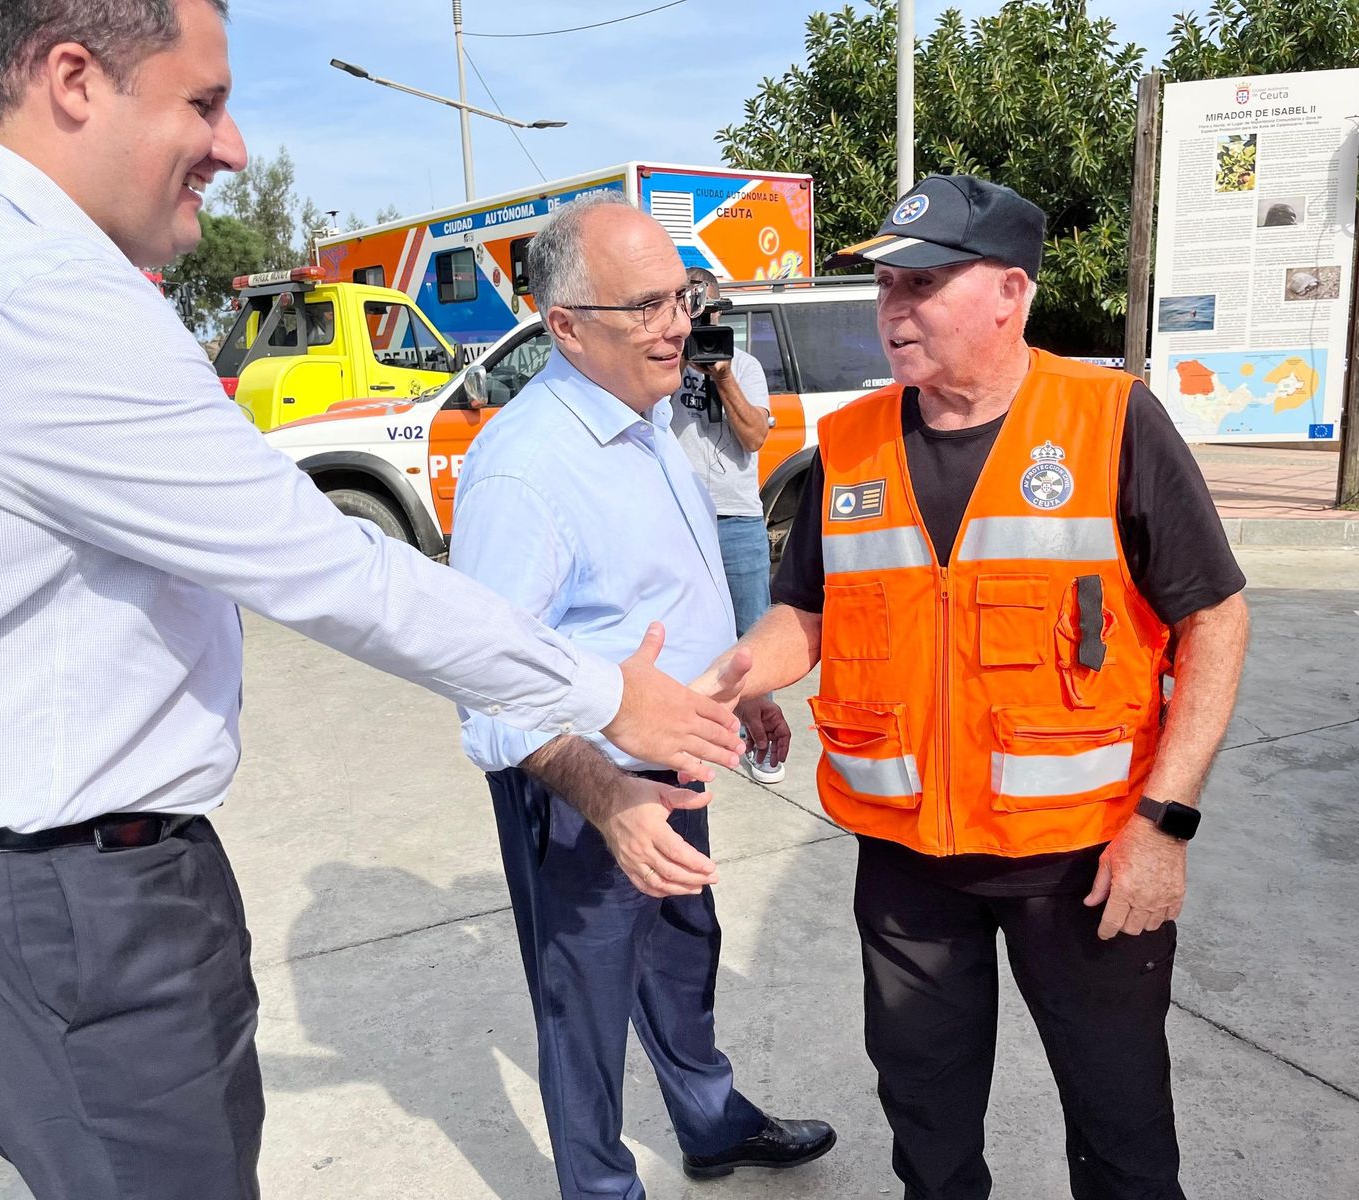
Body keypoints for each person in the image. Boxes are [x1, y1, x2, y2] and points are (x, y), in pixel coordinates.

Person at [0, 3, 745, 1197]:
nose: (230, 148)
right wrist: (603, 695)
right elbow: (329, 569)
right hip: (60, 902)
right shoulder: (35, 296)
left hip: (0, 886)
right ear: (73, 79)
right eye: (203, 103)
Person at [695, 174, 1250, 1200]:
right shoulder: (848, 445)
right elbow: (806, 611)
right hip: (908, 864)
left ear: (1009, 293)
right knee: (928, 1130)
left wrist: (1163, 824)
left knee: (1122, 1129)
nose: (892, 309)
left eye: (923, 284)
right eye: (884, 286)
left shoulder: (1109, 420)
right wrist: (731, 676)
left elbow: (1212, 619)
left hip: (1082, 864)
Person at [450, 193, 836, 1199]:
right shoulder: (523, 471)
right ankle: (600, 1186)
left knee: (679, 951)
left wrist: (733, 693)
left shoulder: (650, 415)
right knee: (584, 997)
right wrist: (606, 794)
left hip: (676, 757)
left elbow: (665, 593)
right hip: (581, 786)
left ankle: (709, 1126)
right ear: (567, 325)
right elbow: (488, 693)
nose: (677, 323)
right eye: (648, 306)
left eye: (683, 296)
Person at [665, 266, 786, 784]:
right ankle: (702, 733)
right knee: (678, 627)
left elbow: (755, 436)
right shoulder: (663, 367)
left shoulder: (748, 368)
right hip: (675, 514)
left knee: (752, 633)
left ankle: (758, 737)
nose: (706, 325)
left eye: (712, 314)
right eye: (696, 314)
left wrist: (723, 374)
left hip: (736, 515)